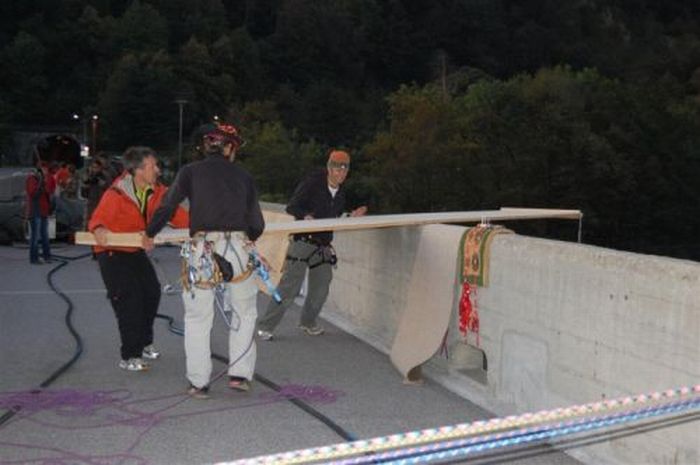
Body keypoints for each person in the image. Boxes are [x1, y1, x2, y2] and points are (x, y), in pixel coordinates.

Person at [145, 122, 265, 398]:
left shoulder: (190, 172)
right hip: (237, 248)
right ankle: (239, 375)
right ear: (229, 148)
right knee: (244, 312)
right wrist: (248, 238)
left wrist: (149, 233)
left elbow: (168, 205)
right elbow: (257, 223)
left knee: (198, 316)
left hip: (203, 249)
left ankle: (198, 382)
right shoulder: (244, 176)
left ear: (206, 146)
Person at [89, 146, 189, 372]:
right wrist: (100, 229)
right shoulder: (116, 193)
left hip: (134, 250)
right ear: (138, 170)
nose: (158, 170)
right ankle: (129, 355)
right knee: (129, 301)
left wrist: (201, 226)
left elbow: (177, 215)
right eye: (153, 166)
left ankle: (143, 344)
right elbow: (97, 220)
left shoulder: (158, 192)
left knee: (151, 292)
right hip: (112, 252)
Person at [256, 149, 367, 340]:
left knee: (322, 286)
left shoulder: (341, 192)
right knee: (289, 288)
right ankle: (265, 326)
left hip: (322, 245)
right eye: (337, 169)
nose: (340, 174)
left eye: (344, 170)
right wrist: (305, 216)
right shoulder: (313, 183)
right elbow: (292, 206)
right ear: (329, 168)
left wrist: (353, 214)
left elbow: (337, 215)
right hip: (303, 241)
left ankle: (307, 322)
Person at [25, 158, 56, 264]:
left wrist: (45, 183)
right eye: (43, 168)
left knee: (45, 235)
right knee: (35, 236)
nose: (45, 170)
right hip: (35, 211)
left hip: (44, 210)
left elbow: (50, 191)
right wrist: (41, 185)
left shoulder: (46, 179)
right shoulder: (32, 178)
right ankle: (34, 258)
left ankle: (47, 256)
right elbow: (32, 194)